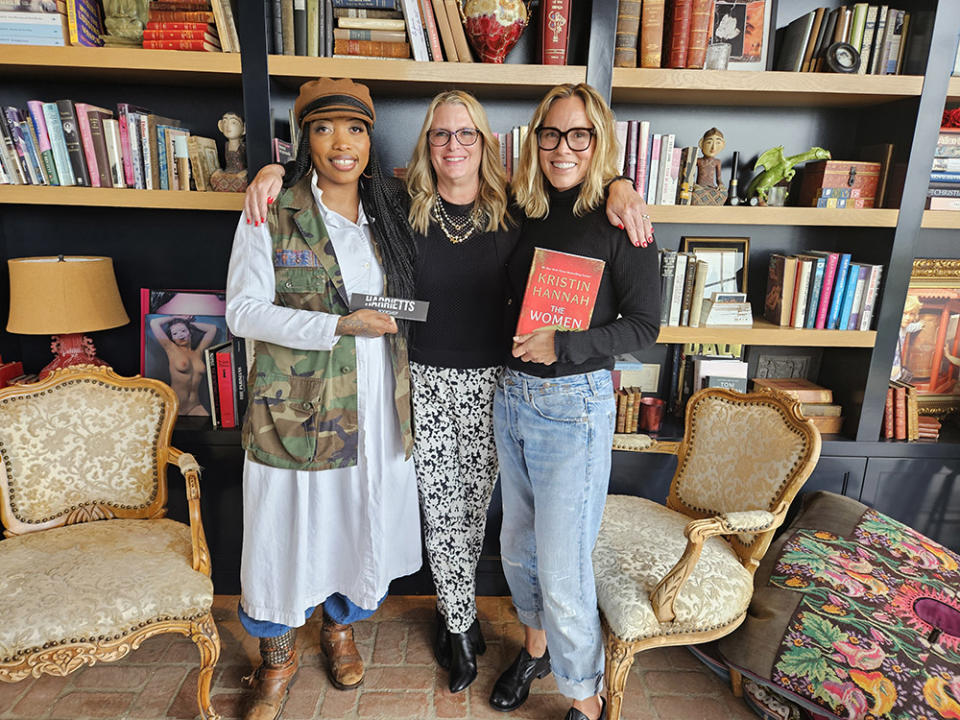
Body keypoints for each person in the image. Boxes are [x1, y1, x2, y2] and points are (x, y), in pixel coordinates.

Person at [242, 87, 655, 697]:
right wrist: (275, 170)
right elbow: (333, 174)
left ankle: (515, 645)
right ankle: (458, 626)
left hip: (499, 382)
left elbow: (578, 183)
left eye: (466, 134)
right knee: (441, 513)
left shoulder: (519, 205)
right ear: (426, 144)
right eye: (440, 134)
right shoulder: (396, 201)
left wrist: (620, 182)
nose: (453, 145)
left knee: (487, 514)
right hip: (422, 378)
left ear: (485, 143)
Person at [225, 78, 420, 720]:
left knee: (356, 523)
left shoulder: (386, 212)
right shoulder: (273, 208)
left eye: (356, 129)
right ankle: (276, 658)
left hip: (373, 404)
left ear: (370, 139)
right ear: (305, 139)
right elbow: (242, 312)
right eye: (325, 128)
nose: (342, 143)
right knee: (284, 532)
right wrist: (335, 325)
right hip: (295, 407)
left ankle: (339, 627)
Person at [489, 83, 660, 720]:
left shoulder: (622, 219)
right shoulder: (520, 206)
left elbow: (645, 326)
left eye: (579, 135)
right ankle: (534, 650)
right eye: (552, 134)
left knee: (563, 569)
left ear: (599, 142)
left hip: (573, 407)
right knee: (517, 548)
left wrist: (564, 344)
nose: (563, 148)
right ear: (535, 140)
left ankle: (586, 700)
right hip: (509, 397)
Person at [148, 314, 219, 415]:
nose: (180, 335)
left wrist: (188, 323)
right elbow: (154, 323)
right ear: (172, 338)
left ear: (190, 332)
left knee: (210, 428)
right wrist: (176, 317)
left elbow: (212, 329)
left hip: (195, 406)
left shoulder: (198, 351)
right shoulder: (171, 349)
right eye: (175, 333)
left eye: (183, 331)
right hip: (175, 405)